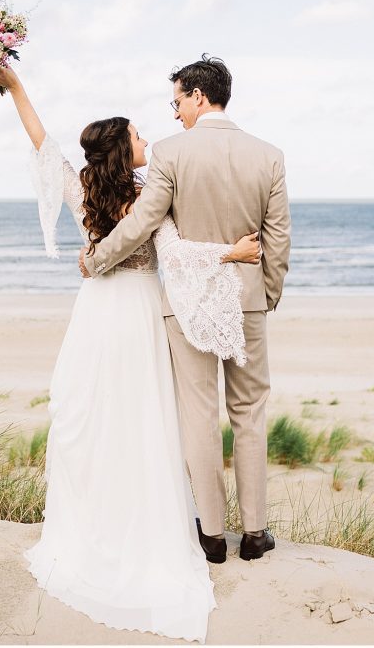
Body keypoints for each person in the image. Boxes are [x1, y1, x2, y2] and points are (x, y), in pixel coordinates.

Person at [0, 64, 261, 643]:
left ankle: (101, 521)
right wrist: (232, 255)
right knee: (140, 419)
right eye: (138, 135)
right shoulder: (146, 195)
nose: (147, 139)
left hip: (97, 311)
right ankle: (132, 522)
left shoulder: (86, 189)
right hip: (134, 313)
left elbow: (42, 144)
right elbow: (178, 254)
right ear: (122, 150)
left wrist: (17, 90)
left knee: (97, 417)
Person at [79, 54, 292, 564]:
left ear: (199, 95)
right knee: (250, 415)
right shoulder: (269, 155)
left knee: (198, 417)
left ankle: (214, 537)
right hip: (247, 301)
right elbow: (279, 240)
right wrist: (266, 294)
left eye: (177, 101)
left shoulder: (170, 155)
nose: (174, 114)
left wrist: (97, 258)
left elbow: (142, 223)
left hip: (187, 307)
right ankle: (256, 535)